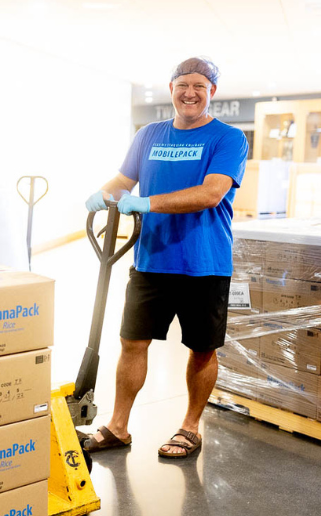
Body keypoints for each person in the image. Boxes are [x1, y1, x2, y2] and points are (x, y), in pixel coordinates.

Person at [83, 57, 248, 459]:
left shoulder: (228, 138)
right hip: (150, 259)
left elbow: (211, 193)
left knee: (202, 349)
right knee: (132, 343)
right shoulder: (149, 135)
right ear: (171, 88)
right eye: (182, 85)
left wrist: (146, 202)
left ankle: (190, 427)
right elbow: (124, 182)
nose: (190, 93)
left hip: (204, 263)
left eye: (199, 86)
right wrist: (103, 194)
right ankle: (118, 427)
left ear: (212, 92)